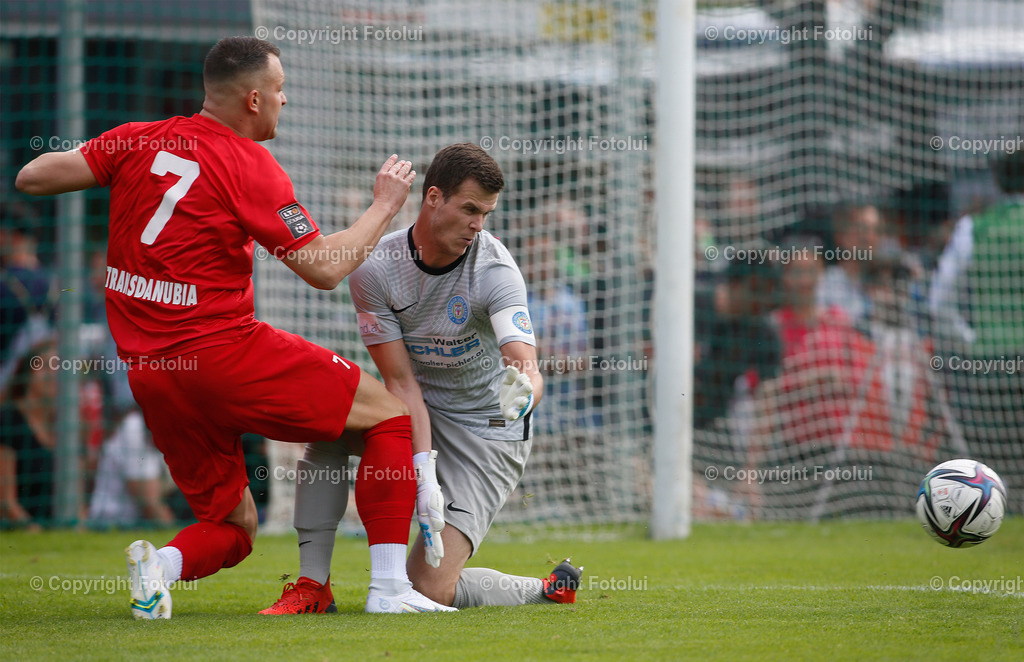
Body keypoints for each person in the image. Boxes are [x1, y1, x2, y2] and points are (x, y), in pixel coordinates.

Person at [15, 36, 453, 618]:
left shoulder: (139, 138)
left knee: (235, 525)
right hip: (224, 354)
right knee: (392, 419)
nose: (285, 100)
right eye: (278, 90)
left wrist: (109, 157)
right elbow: (323, 269)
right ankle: (390, 589)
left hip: (153, 375)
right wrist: (383, 206)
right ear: (253, 99)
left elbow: (32, 176)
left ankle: (159, 568)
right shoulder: (250, 166)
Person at [259, 143, 582, 614]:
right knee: (328, 426)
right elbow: (400, 382)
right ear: (433, 198)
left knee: (429, 589)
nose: (478, 225)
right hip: (416, 410)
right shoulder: (374, 270)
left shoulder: (495, 270)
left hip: (487, 433)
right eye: (470, 209)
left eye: (486, 214)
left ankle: (545, 589)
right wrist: (423, 472)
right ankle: (312, 585)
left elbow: (526, 365)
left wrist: (523, 394)